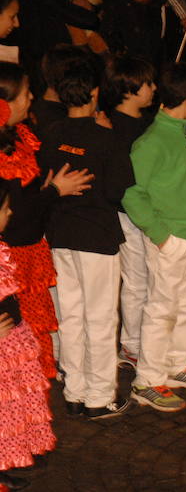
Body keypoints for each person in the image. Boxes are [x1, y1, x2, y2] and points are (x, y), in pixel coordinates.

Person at [39, 54, 133, 420]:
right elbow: (117, 190)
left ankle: (74, 390)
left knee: (70, 316)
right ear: (95, 94)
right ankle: (100, 396)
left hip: (60, 236)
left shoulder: (51, 135)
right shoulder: (105, 138)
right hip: (96, 238)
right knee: (101, 317)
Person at [123, 63, 186, 413]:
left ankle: (177, 365)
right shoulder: (152, 142)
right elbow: (132, 192)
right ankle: (147, 380)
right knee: (161, 308)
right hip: (173, 237)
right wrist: (161, 235)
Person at [0, 62, 92, 381]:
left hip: (29, 249)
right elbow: (16, 212)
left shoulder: (20, 136)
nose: (31, 99)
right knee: (17, 336)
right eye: (25, 94)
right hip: (13, 258)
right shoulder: (2, 153)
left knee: (33, 333)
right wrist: (54, 191)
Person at [0, 180, 55, 492]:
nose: (10, 212)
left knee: (11, 407)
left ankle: (8, 459)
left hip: (10, 342)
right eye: (5, 208)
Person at [102, 55, 156, 369]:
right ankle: (132, 344)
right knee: (136, 280)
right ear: (129, 89)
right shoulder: (115, 128)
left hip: (145, 211)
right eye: (147, 84)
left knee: (145, 277)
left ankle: (140, 338)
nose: (153, 89)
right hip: (125, 214)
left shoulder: (143, 123)